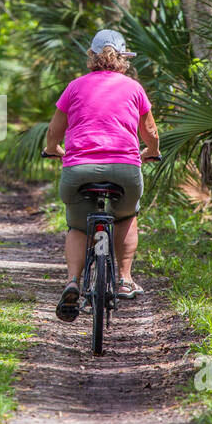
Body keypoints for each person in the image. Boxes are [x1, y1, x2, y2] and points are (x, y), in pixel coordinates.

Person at [44, 28, 160, 320]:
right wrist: (150, 153)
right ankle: (123, 278)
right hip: (124, 169)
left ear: (91, 57)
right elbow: (151, 134)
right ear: (123, 59)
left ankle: (72, 281)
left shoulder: (74, 86)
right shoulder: (134, 88)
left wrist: (53, 149)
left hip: (78, 168)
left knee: (78, 226)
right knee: (126, 215)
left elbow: (54, 133)